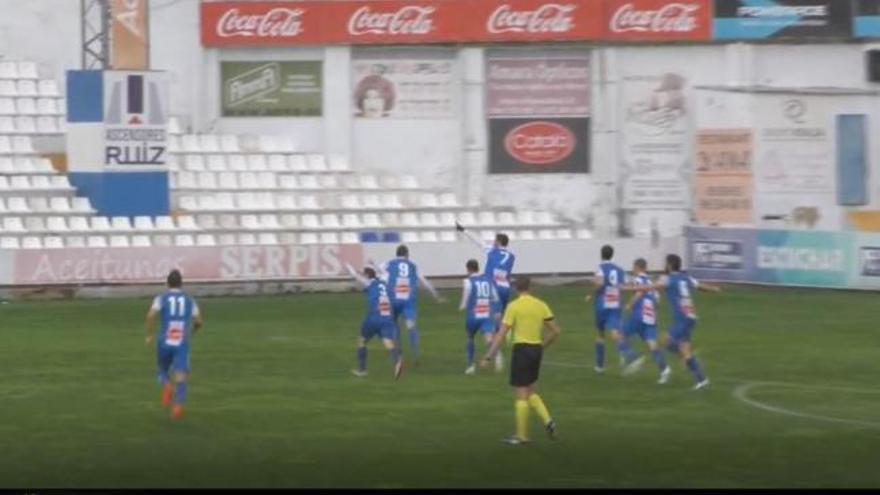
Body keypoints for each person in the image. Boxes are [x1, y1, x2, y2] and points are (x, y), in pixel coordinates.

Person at [481, 276, 560, 446]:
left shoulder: (513, 306)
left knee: (521, 393)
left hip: (522, 351)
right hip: (536, 350)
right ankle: (548, 421)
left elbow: (502, 333)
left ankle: (522, 436)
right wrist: (542, 346)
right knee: (530, 389)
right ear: (530, 287)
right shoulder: (541, 304)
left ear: (516, 288)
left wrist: (489, 356)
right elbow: (555, 331)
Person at [626, 254, 720, 390]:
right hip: (690, 317)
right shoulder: (686, 277)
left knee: (664, 341)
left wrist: (626, 288)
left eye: (666, 263)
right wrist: (714, 289)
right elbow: (700, 286)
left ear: (669, 265)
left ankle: (688, 358)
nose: (665, 265)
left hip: (682, 318)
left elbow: (649, 287)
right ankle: (702, 380)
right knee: (684, 350)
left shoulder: (668, 279)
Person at [370, 245, 444, 365]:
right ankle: (416, 355)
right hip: (408, 301)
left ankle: (398, 354)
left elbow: (378, 270)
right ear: (407, 254)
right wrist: (435, 295)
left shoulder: (389, 263)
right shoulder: (412, 265)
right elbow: (424, 281)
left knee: (394, 326)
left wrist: (372, 263)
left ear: (397, 254)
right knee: (411, 326)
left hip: (393, 299)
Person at [145, 269, 203, 420]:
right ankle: (178, 405)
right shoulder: (190, 300)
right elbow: (198, 321)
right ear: (181, 283)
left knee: (162, 370)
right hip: (181, 341)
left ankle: (166, 385)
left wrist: (150, 335)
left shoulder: (161, 298)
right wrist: (192, 331)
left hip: (164, 340)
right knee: (181, 374)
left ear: (167, 283)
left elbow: (151, 315)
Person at [587, 245, 643, 375]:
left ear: (601, 255)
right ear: (612, 255)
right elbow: (625, 284)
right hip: (615, 303)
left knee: (600, 334)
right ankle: (631, 355)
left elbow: (600, 284)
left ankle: (600, 366)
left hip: (602, 304)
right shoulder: (619, 270)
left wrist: (591, 293)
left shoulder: (600, 268)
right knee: (615, 332)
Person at [345, 263, 404, 380]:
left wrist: (347, 265)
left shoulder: (369, 282)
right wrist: (374, 265)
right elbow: (384, 272)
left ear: (367, 275)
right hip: (387, 317)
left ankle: (362, 370)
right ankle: (397, 361)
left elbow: (354, 275)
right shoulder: (384, 282)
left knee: (362, 341)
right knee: (387, 341)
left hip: (374, 317)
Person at [623, 258, 671, 384]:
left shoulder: (639, 279)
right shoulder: (651, 283)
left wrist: (629, 304)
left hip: (639, 313)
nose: (633, 270)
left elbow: (639, 293)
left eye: (633, 267)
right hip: (650, 316)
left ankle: (633, 358)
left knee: (620, 334)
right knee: (652, 344)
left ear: (638, 267)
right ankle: (664, 370)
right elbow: (658, 301)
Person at [460, 259, 502, 375]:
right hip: (486, 314)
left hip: (473, 315)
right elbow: (495, 297)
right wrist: (495, 310)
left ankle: (470, 366)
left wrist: (462, 306)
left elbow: (465, 298)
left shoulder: (468, 282)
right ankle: (497, 355)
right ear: (478, 268)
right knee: (489, 339)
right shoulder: (488, 281)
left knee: (470, 338)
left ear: (468, 269)